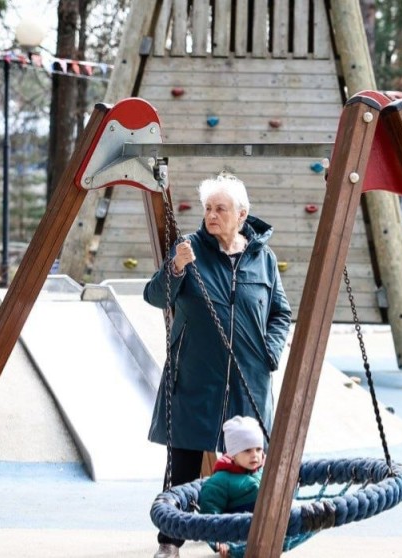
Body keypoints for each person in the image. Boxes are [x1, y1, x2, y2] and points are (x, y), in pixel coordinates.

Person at [144, 172, 292, 558]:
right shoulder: (188, 248)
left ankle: (244, 537)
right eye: (208, 208)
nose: (212, 215)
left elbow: (280, 312)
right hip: (194, 377)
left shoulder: (263, 258)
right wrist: (175, 267)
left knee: (249, 466)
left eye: (220, 208)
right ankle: (169, 541)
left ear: (241, 214)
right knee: (183, 464)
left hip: (248, 380)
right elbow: (155, 296)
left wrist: (270, 352)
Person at [198, 416, 265, 557]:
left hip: (263, 527)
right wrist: (219, 539)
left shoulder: (262, 471)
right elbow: (210, 513)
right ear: (233, 454)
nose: (255, 455)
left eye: (258, 449)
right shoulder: (221, 480)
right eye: (247, 450)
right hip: (236, 533)